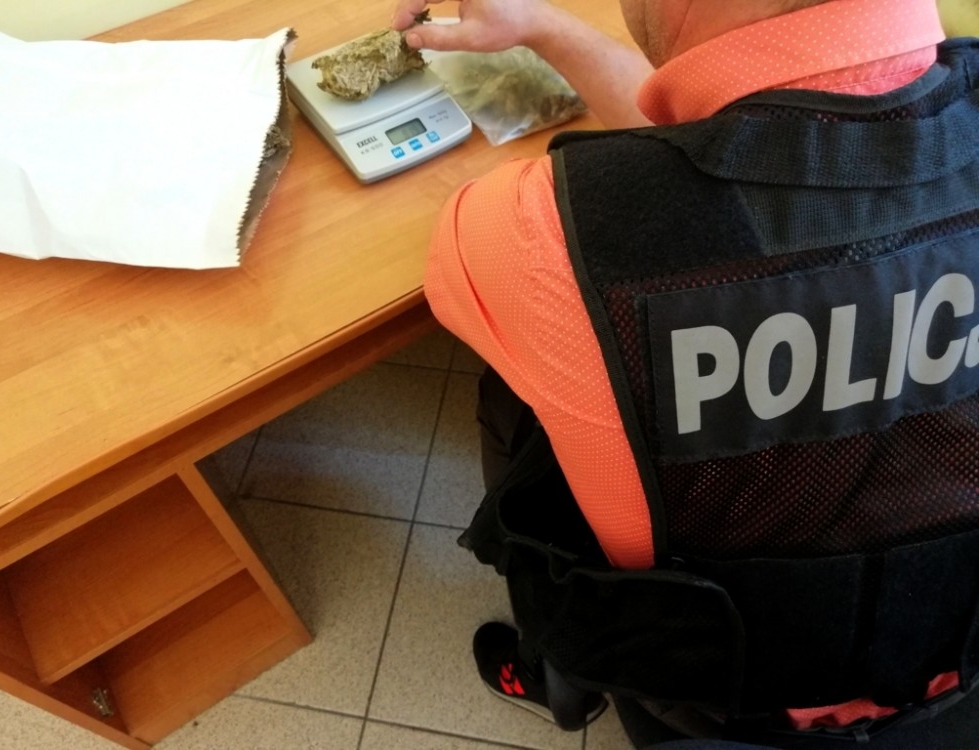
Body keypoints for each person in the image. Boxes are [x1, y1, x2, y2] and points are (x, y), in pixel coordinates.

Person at [390, 0, 979, 746]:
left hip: (716, 688)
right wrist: (544, 27)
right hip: (957, 656)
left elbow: (668, 198)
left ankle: (556, 672)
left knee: (519, 394)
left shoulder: (529, 227)